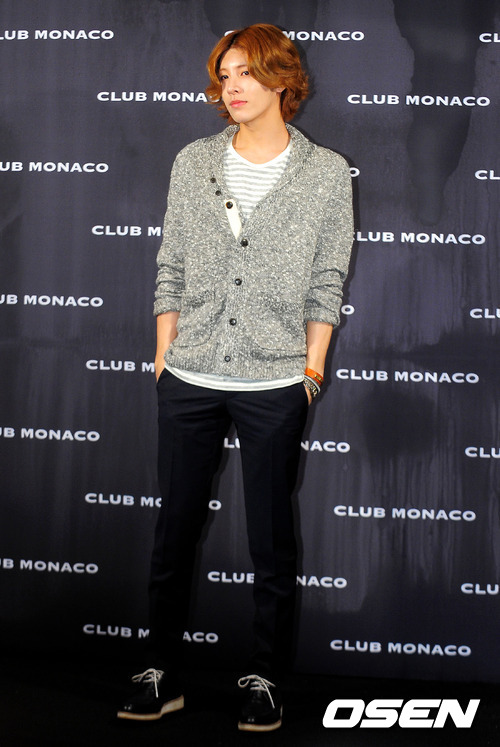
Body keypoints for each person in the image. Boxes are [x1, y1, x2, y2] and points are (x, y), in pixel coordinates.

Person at [117, 23, 353, 732]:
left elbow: (327, 280)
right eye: (225, 75)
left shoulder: (326, 172)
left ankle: (265, 677)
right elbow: (171, 263)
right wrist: (164, 355)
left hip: (276, 382)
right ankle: (160, 670)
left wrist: (310, 368)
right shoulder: (194, 161)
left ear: (283, 79)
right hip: (189, 375)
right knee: (174, 531)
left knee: (271, 541)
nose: (233, 86)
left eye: (247, 72)